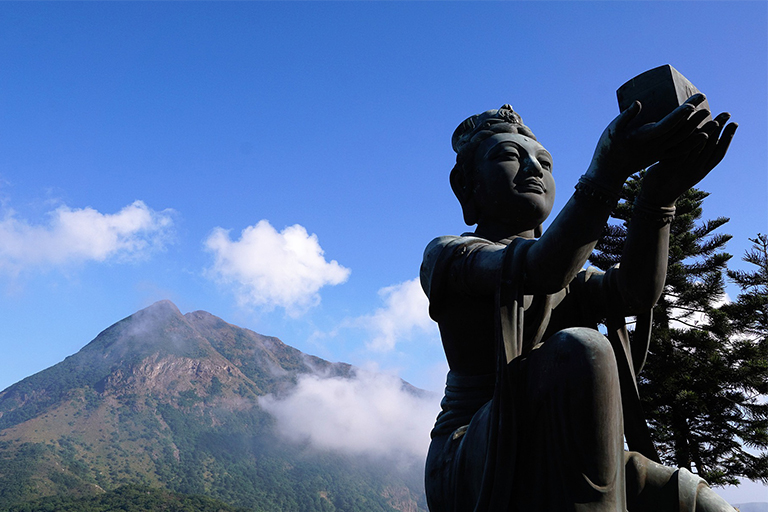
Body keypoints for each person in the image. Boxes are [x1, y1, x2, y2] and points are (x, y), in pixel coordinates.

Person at [421, 99, 738, 512]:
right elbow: (539, 270)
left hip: (563, 438)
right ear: (466, 186)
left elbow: (635, 291)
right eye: (508, 156)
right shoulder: (452, 255)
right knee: (581, 348)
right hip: (474, 449)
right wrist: (606, 172)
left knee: (696, 501)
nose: (534, 169)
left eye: (546, 163)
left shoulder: (573, 277)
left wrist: (657, 198)